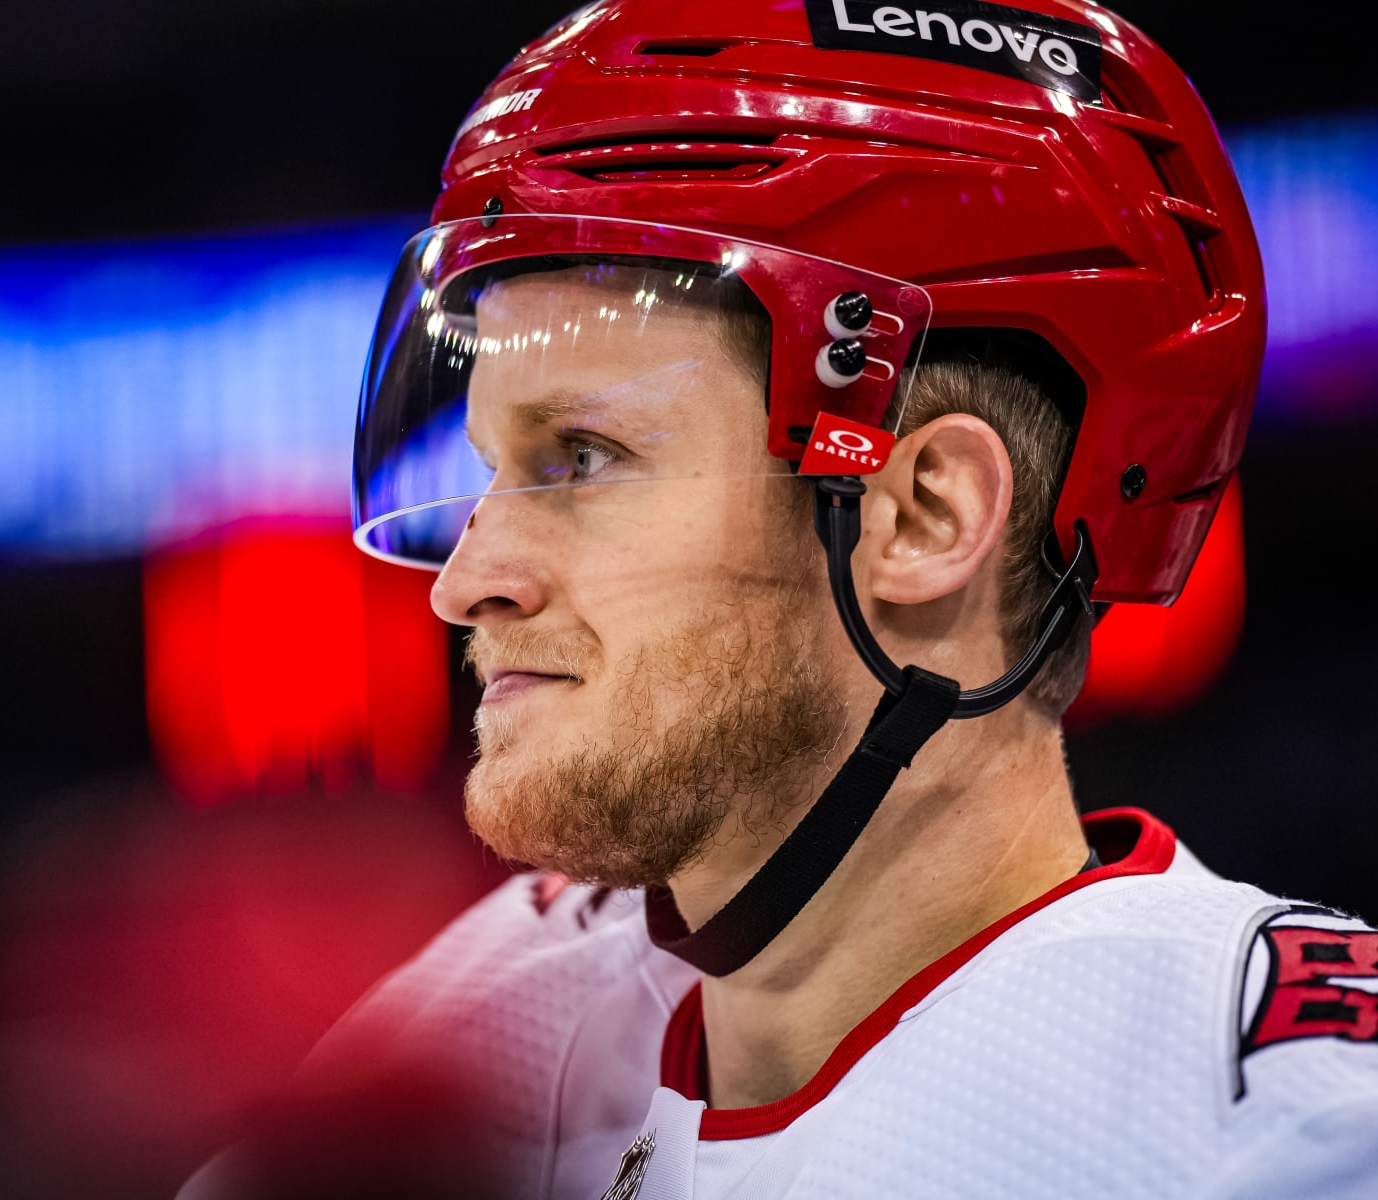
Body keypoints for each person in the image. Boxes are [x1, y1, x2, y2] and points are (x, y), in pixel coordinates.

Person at [181, 0, 1378, 1196]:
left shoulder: (1290, 1120)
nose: (465, 584)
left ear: (925, 517)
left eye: (584, 459)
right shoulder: (497, 1010)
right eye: (490, 472)